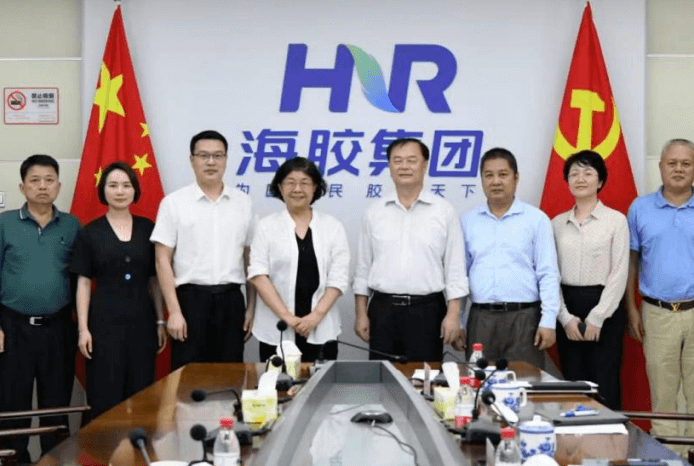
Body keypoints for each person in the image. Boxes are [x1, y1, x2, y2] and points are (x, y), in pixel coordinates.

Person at [626, 139, 694, 437]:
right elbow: (631, 262)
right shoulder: (640, 209)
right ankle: (670, 460)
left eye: (685, 164)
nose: (678, 169)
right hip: (657, 313)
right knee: (663, 396)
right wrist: (631, 309)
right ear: (661, 167)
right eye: (672, 163)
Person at [0, 154, 80, 462]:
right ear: (22, 187)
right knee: (13, 405)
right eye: (35, 180)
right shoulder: (5, 223)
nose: (42, 186)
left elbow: (81, 279)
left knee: (56, 405)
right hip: (13, 328)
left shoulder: (72, 225)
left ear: (59, 186)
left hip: (59, 328)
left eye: (49, 180)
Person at [354, 137, 468, 362]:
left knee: (425, 378)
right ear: (389, 167)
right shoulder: (374, 212)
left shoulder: (443, 211)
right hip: (383, 311)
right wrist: (361, 314)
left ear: (424, 165)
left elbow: (455, 269)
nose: (404, 166)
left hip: (427, 311)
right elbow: (362, 269)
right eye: (397, 161)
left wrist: (453, 315)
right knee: (383, 378)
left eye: (411, 160)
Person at [151, 130, 256, 368]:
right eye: (203, 156)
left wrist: (251, 308)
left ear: (226, 159)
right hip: (190, 302)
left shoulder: (243, 202)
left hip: (231, 302)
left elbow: (250, 259)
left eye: (218, 156)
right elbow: (162, 260)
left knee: (229, 376)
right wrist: (174, 311)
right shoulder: (174, 203)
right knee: (188, 377)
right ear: (192, 160)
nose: (211, 162)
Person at [71, 161, 166, 417]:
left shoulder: (148, 228)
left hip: (142, 323)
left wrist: (160, 321)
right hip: (103, 325)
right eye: (113, 185)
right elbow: (83, 283)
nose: (120, 191)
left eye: (126, 185)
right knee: (105, 395)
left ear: (135, 190)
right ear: (103, 190)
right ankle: (104, 445)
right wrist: (83, 329)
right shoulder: (90, 232)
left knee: (141, 394)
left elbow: (154, 280)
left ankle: (138, 443)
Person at [461, 147, 559, 370]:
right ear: (482, 179)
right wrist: (458, 321)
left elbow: (548, 273)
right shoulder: (468, 221)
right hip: (481, 320)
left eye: (503, 174)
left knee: (525, 383)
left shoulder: (536, 220)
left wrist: (548, 320)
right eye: (489, 175)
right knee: (480, 383)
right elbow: (461, 275)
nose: (496, 181)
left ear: (516, 178)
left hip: (524, 319)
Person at [248, 157, 349, 363]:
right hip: (277, 327)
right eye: (290, 182)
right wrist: (288, 317)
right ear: (280, 187)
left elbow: (339, 278)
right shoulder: (266, 226)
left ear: (315, 188)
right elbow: (258, 274)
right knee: (277, 381)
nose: (297, 189)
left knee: (319, 381)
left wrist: (315, 316)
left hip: (321, 326)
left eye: (304, 183)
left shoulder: (333, 227)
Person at [551, 150, 629, 409]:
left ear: (601, 181)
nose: (580, 178)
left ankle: (608, 435)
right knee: (573, 385)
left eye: (588, 173)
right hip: (568, 307)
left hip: (605, 307)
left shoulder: (616, 221)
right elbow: (550, 275)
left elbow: (619, 272)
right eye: (574, 174)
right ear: (567, 181)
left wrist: (598, 316)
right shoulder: (556, 224)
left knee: (605, 383)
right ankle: (574, 435)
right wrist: (565, 318)